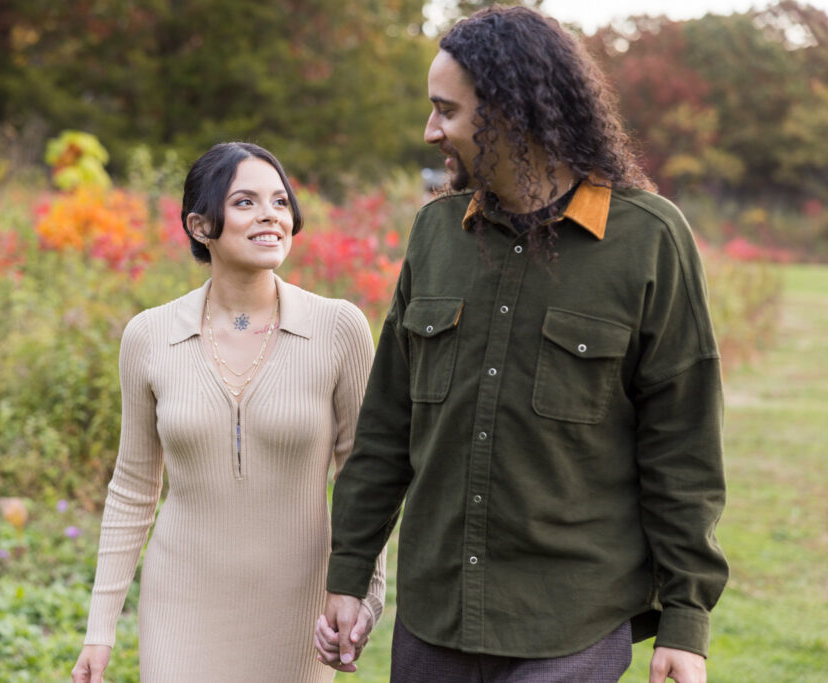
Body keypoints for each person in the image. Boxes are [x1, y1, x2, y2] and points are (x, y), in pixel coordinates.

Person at [315, 7, 728, 683]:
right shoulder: (436, 234)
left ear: (510, 111)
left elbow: (682, 446)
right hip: (433, 619)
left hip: (574, 621)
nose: (430, 131)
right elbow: (386, 427)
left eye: (446, 111)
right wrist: (350, 571)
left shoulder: (650, 239)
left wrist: (685, 620)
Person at [72, 142, 386, 683]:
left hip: (299, 605)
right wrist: (99, 629)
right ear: (200, 226)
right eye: (245, 202)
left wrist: (362, 592)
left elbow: (366, 474)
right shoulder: (149, 336)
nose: (271, 215)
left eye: (280, 202)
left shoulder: (339, 329)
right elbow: (132, 486)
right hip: (181, 604)